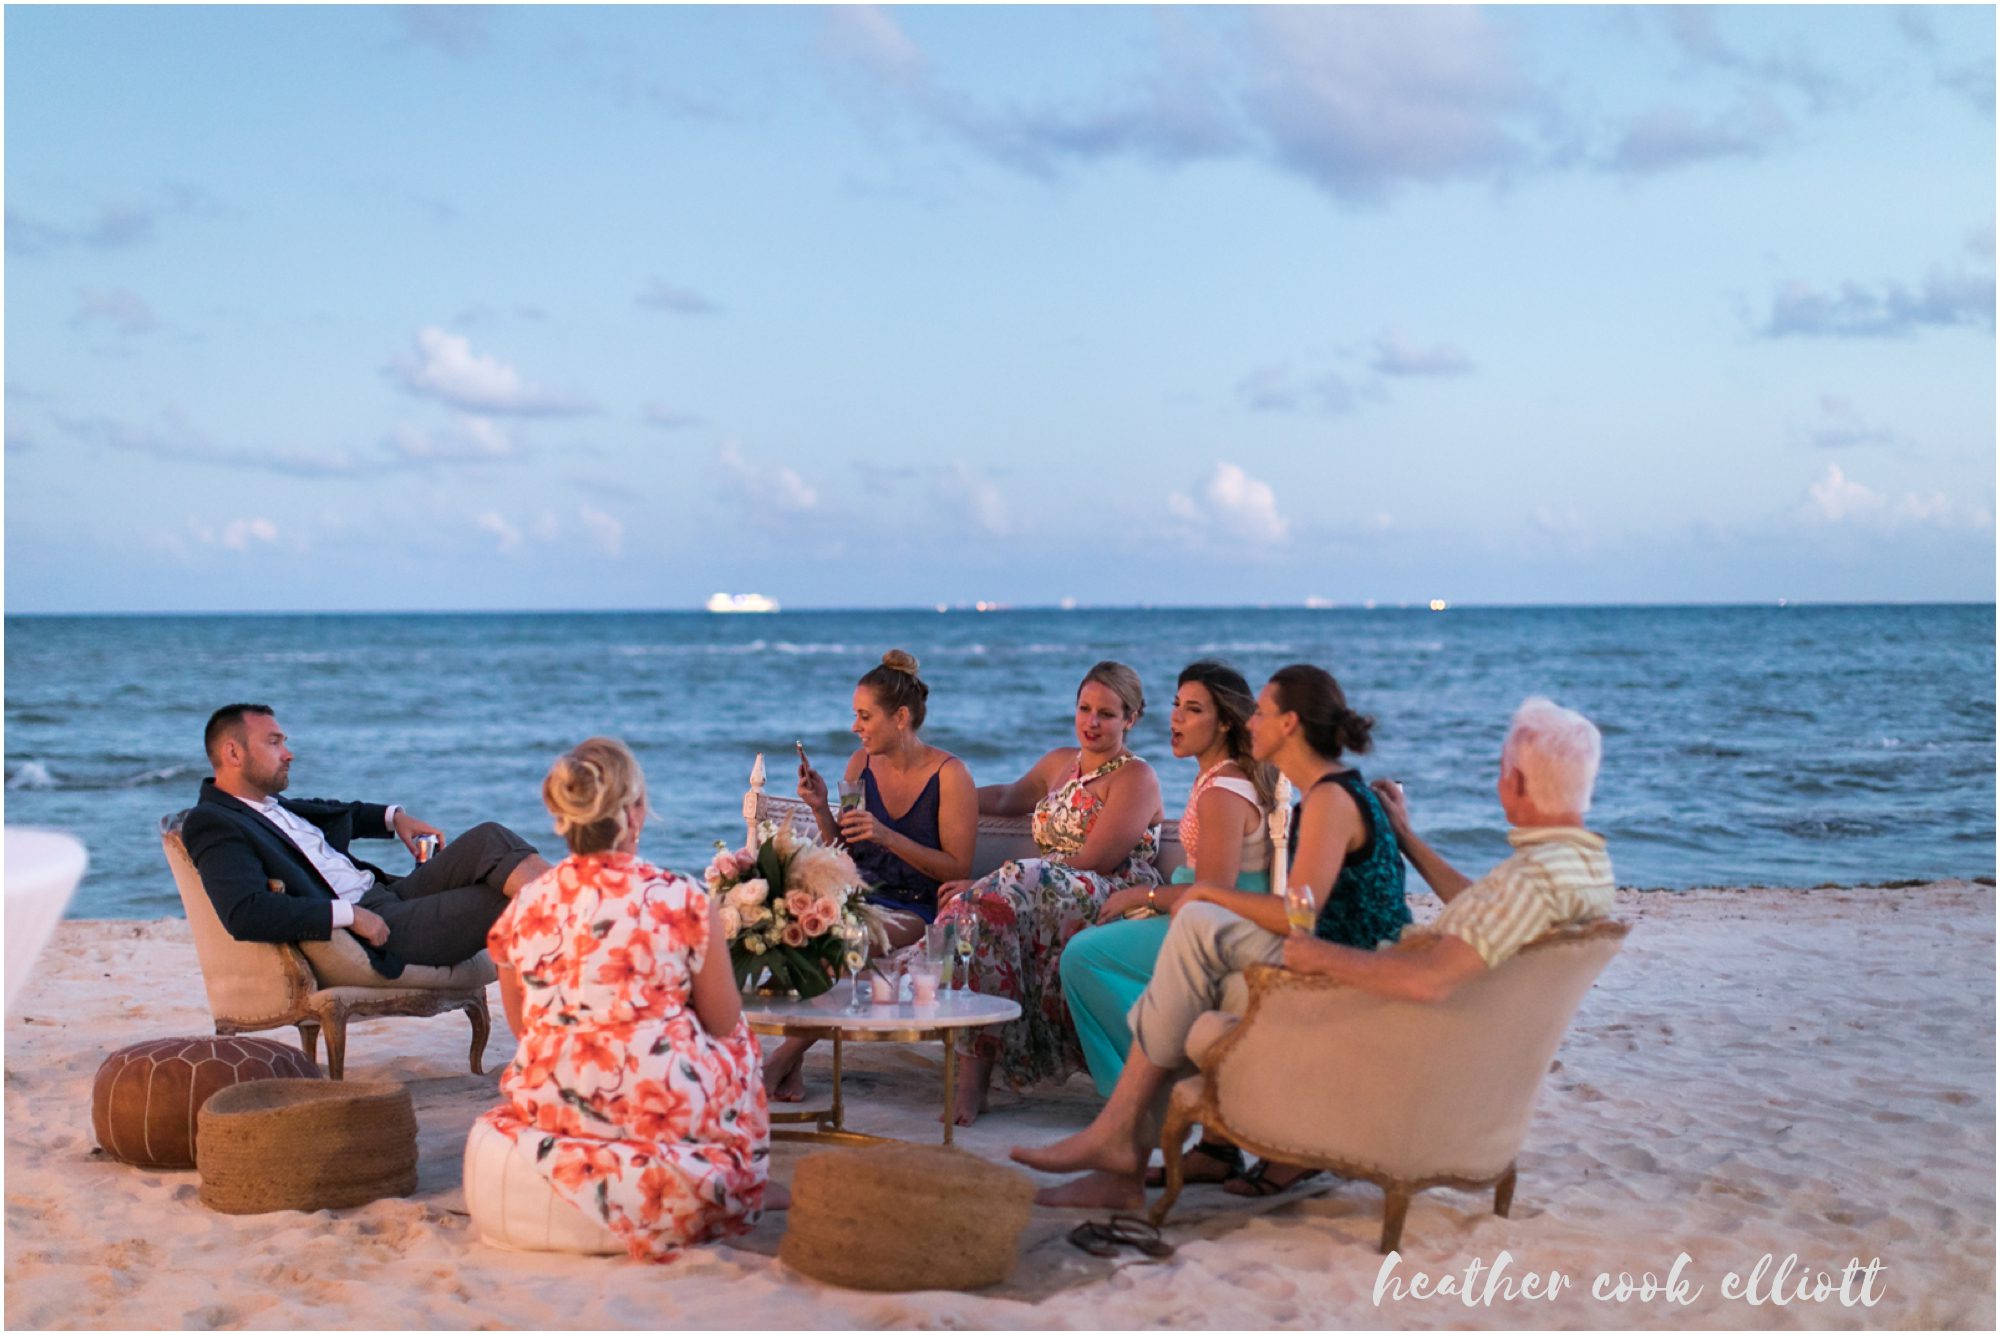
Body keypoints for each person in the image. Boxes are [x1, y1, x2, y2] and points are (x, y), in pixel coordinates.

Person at [1014, 693, 1615, 1212]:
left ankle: (1127, 1139)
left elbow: (1429, 981)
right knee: (1204, 940)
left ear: (1514, 781)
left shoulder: (1521, 881)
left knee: (1203, 950)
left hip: (1388, 1023)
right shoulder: (1574, 867)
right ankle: (1161, 1141)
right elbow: (1478, 906)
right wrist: (1405, 837)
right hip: (1452, 1043)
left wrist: (1318, 957)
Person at [1011, 663, 1410, 1208]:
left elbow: (1303, 916)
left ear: (1289, 725)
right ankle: (1155, 1139)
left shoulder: (1329, 799)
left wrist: (1192, 895)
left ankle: (1129, 1133)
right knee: (1191, 929)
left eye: (1261, 714)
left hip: (1330, 962)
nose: (1252, 723)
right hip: (1315, 946)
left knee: (1173, 930)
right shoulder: (1326, 794)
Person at [477, 737, 780, 1263]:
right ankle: (742, 1179)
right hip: (661, 1103)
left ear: (560, 814)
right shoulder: (682, 896)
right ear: (634, 811)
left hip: (553, 1098)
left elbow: (524, 1027)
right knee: (740, 1044)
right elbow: (723, 1019)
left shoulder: (527, 902)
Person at [932, 661, 1165, 1127]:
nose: (1092, 723)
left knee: (997, 892)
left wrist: (991, 880)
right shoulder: (1060, 763)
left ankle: (974, 1075)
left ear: (1131, 719)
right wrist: (939, 793)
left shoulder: (1136, 777)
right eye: (1084, 709)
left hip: (1105, 893)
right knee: (972, 912)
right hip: (1037, 889)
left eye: (1107, 714)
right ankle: (973, 1070)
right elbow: (1002, 800)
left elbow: (1096, 861)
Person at [182, 703, 551, 979]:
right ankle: (587, 930)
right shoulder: (214, 822)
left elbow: (341, 812)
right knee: (501, 896)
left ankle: (579, 906)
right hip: (379, 926)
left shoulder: (271, 805)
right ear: (233, 752)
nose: (288, 753)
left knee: (490, 836)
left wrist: (396, 819)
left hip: (391, 894)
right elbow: (246, 913)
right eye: (274, 742)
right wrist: (350, 915)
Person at [1061, 661, 1275, 1109]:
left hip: (1221, 924)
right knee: (1093, 947)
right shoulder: (1216, 776)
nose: (1176, 717)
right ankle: (1151, 1086)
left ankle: (1146, 1093)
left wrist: (1143, 895)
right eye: (1177, 704)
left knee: (1084, 957)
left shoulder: (1224, 790)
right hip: (1202, 912)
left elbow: (1215, 891)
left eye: (1193, 709)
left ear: (1225, 724)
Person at [764, 649, 976, 1102]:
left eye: (864, 716)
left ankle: (780, 1060)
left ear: (900, 717)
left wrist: (887, 835)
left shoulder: (951, 775)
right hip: (862, 895)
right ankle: (792, 1067)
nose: (855, 727)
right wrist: (821, 807)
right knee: (802, 933)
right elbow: (847, 852)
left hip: (918, 906)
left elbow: (958, 868)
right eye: (854, 716)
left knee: (847, 940)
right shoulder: (860, 766)